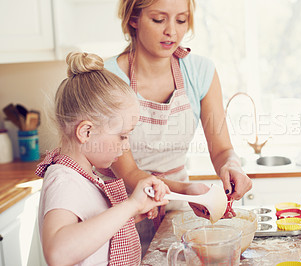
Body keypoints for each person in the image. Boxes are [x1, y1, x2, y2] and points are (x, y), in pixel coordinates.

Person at [99, 0, 253, 254]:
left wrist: (231, 166)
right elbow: (129, 173)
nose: (172, 31)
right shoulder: (107, 78)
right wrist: (187, 191)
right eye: (159, 20)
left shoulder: (200, 71)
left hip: (178, 210)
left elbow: (222, 149)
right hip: (119, 212)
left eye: (181, 20)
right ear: (133, 19)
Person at [36, 52, 170, 266]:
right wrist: (131, 204)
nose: (126, 145)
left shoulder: (85, 175)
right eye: (122, 136)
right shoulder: (63, 180)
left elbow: (90, 233)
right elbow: (58, 253)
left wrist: (133, 215)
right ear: (86, 132)